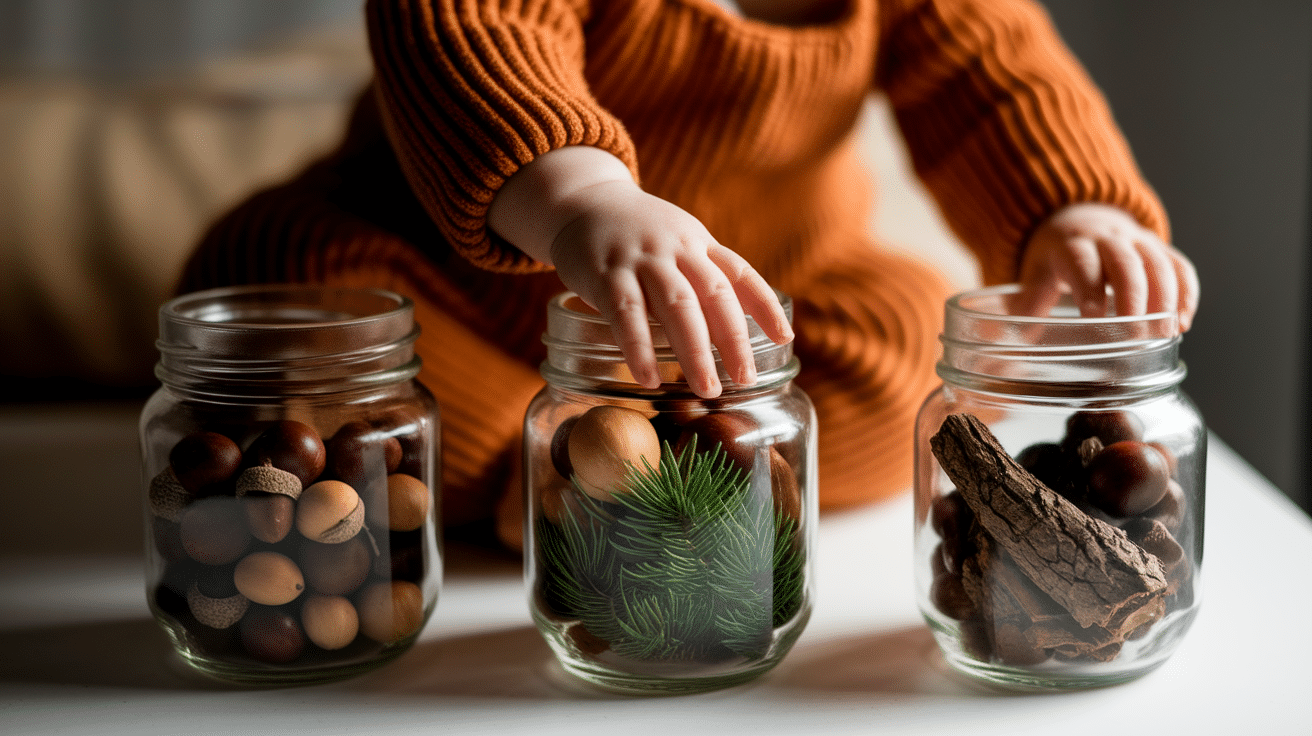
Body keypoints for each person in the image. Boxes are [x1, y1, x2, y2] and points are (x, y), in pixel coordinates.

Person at [180, 0, 1199, 548]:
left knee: (905, 363)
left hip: (750, 322)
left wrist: (1077, 209)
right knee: (285, 283)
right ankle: (540, 474)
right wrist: (584, 199)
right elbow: (470, 27)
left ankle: (643, 469)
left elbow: (997, 77)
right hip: (457, 288)